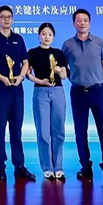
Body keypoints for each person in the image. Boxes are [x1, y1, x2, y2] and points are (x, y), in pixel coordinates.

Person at [0, 5, 36, 182]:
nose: (6, 20)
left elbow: (25, 62)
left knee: (16, 129)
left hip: (16, 91)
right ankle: (0, 166)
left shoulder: (18, 39)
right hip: (0, 91)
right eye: (3, 17)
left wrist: (20, 77)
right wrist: (1, 78)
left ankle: (19, 165)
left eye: (9, 17)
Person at [62, 8, 103, 185]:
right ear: (74, 23)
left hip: (97, 91)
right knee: (80, 131)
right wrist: (75, 78)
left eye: (85, 20)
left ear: (89, 23)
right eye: (79, 20)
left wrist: (95, 79)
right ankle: (85, 167)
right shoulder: (68, 44)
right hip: (78, 92)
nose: (82, 23)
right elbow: (63, 66)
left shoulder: (99, 42)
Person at [27, 22, 68, 181]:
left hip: (57, 91)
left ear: (53, 37)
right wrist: (40, 81)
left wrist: (59, 70)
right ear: (39, 36)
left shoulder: (59, 53)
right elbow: (27, 74)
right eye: (43, 34)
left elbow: (64, 75)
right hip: (40, 91)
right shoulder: (32, 53)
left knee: (59, 130)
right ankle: (47, 167)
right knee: (43, 131)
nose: (46, 37)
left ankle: (58, 167)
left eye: (50, 34)